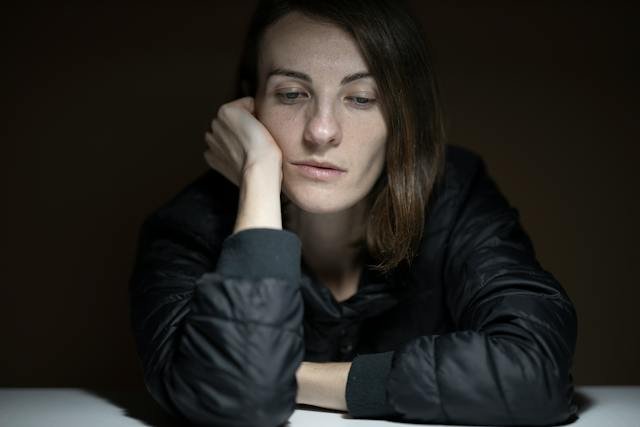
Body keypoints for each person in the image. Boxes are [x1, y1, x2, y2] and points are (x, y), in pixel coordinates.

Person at [128, 0, 579, 426]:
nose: (321, 131)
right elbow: (238, 405)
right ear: (249, 106)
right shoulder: (188, 227)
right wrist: (259, 174)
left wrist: (294, 376)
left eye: (361, 98)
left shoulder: (456, 197)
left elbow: (534, 370)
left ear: (404, 117)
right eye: (290, 94)